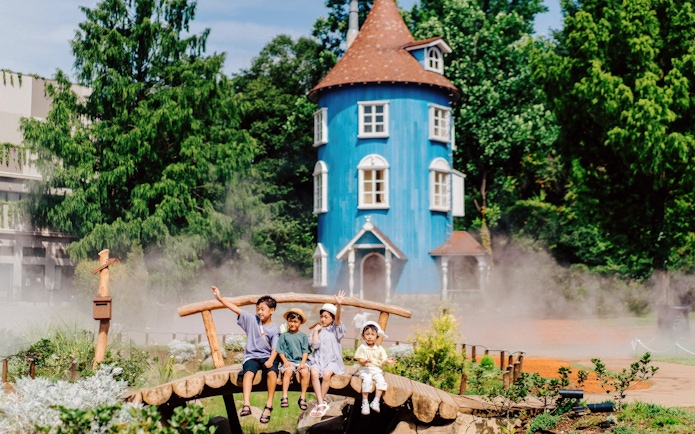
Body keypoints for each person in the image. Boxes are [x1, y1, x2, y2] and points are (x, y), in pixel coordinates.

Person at [211, 286, 279, 424]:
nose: (260, 312)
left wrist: (271, 360)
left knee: (272, 373)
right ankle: (246, 405)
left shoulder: (275, 328)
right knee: (248, 373)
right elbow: (235, 308)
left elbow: (275, 347)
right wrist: (219, 298)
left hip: (267, 356)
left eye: (263, 309)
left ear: (272, 311)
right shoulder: (251, 319)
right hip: (252, 356)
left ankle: (269, 405)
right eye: (258, 309)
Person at [307, 290, 347, 418]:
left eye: (326, 317)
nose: (323, 319)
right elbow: (315, 346)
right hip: (317, 359)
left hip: (332, 360)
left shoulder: (335, 330)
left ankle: (320, 403)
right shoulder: (317, 330)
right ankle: (321, 403)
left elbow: (339, 320)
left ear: (332, 318)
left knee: (326, 374)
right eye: (322, 317)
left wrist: (338, 305)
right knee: (313, 372)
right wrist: (315, 332)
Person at [354, 320, 396, 415]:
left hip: (376, 370)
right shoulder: (362, 347)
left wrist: (387, 360)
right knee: (367, 381)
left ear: (377, 336)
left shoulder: (379, 348)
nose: (370, 336)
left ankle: (375, 401)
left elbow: (383, 360)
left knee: (381, 381)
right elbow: (360, 360)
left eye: (372, 334)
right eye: (367, 334)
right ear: (363, 335)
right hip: (365, 369)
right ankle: (365, 403)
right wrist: (365, 361)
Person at [276, 308, 311, 411]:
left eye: (295, 322)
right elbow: (280, 350)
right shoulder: (284, 336)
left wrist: (303, 363)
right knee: (288, 371)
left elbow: (305, 351)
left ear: (300, 323)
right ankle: (284, 396)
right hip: (289, 361)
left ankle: (303, 397)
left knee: (304, 372)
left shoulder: (303, 336)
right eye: (290, 321)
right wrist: (285, 361)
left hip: (300, 361)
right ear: (287, 322)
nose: (292, 324)